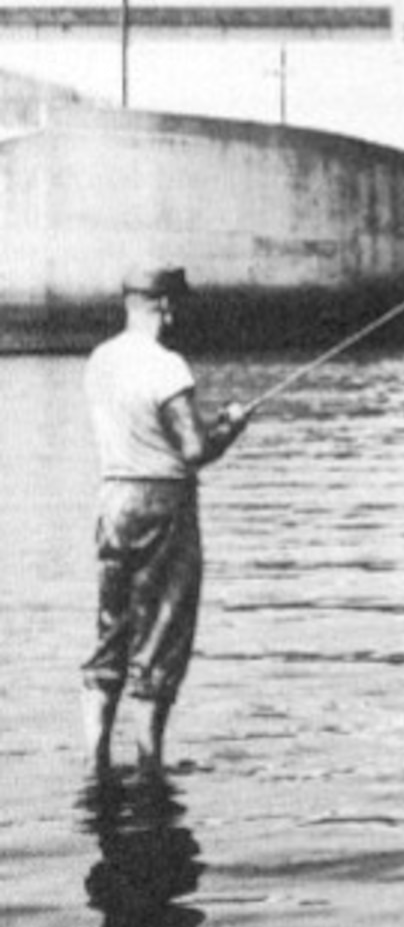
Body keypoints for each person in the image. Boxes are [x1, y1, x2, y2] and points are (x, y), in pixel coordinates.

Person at [81, 266, 252, 767]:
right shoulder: (167, 365)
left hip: (113, 500)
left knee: (111, 632)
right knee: (162, 633)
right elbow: (194, 449)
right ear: (166, 307)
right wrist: (232, 427)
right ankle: (149, 763)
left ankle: (95, 762)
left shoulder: (100, 360)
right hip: (164, 504)